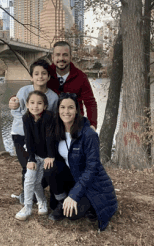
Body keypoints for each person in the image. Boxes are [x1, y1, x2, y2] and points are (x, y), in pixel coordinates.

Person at [44, 93, 118, 231]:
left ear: (77, 110)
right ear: (58, 109)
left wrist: (74, 195)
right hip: (72, 177)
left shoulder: (88, 135)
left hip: (91, 182)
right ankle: (61, 202)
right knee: (50, 166)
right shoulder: (56, 130)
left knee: (72, 214)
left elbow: (92, 168)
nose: (66, 111)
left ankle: (89, 204)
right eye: (63, 107)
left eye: (71, 107)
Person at [9, 41, 97, 129]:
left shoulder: (81, 77)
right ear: (52, 57)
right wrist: (14, 99)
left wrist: (92, 124)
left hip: (74, 123)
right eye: (58, 55)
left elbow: (90, 103)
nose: (61, 58)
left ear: (71, 57)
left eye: (65, 55)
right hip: (51, 126)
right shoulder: (45, 72)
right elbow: (33, 89)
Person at [10, 59, 58, 204]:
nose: (40, 76)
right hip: (20, 134)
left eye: (44, 73)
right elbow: (16, 112)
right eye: (36, 74)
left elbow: (52, 119)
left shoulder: (53, 97)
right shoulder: (24, 91)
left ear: (49, 77)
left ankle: (34, 193)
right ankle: (27, 197)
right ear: (31, 77)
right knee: (28, 166)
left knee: (41, 167)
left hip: (40, 138)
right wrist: (13, 105)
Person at [15, 91, 55, 221]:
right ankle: (27, 207)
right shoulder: (26, 118)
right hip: (35, 155)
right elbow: (28, 139)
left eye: (39, 103)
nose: (35, 106)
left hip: (48, 155)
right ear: (27, 104)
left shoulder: (49, 117)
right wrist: (31, 159)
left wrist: (50, 156)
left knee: (38, 181)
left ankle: (42, 201)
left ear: (45, 105)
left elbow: (50, 137)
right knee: (29, 179)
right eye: (32, 103)